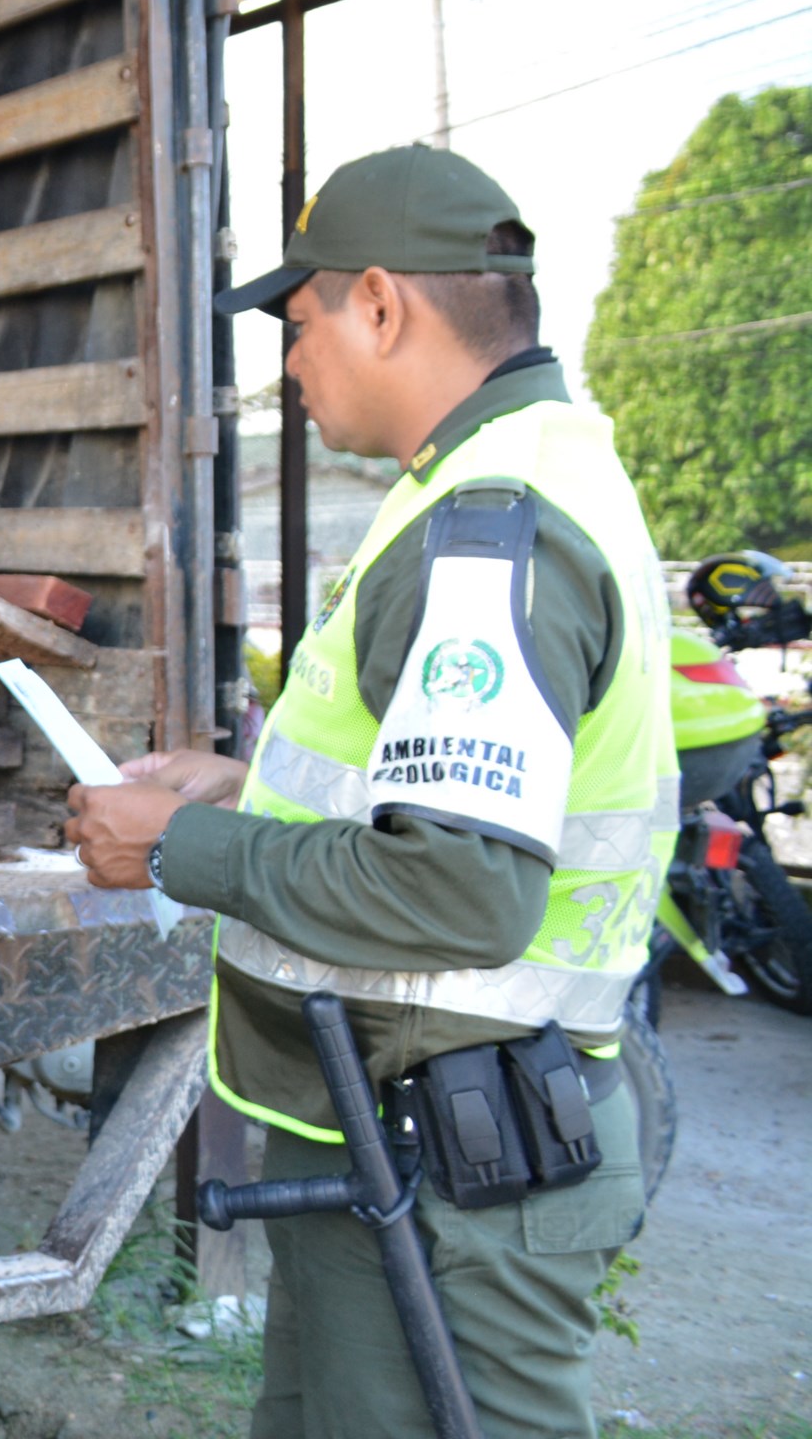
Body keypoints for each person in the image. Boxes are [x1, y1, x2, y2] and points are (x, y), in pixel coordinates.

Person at [69, 147, 666, 1439]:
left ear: (382, 305)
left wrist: (185, 846)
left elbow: (461, 886)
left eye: (301, 322)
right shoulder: (506, 480)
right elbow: (459, 804)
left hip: (452, 1175)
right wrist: (248, 789)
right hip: (414, 1141)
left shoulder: (489, 525)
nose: (290, 363)